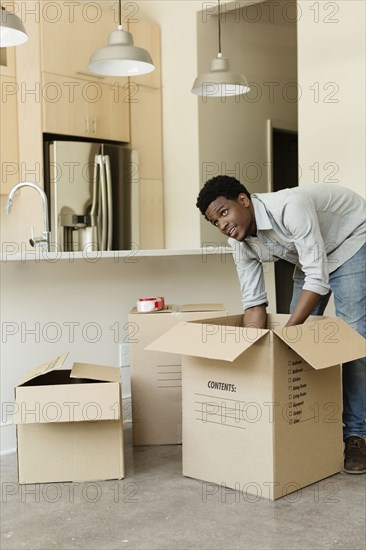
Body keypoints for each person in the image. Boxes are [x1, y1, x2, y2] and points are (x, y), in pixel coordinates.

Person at [196, 175, 366, 474]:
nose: (222, 225)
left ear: (244, 200)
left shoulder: (290, 207)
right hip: (311, 256)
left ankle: (357, 434)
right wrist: (251, 350)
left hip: (350, 239)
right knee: (298, 341)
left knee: (354, 339)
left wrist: (286, 334)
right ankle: (311, 425)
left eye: (224, 213)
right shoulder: (240, 243)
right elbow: (254, 304)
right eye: (215, 222)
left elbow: (318, 279)